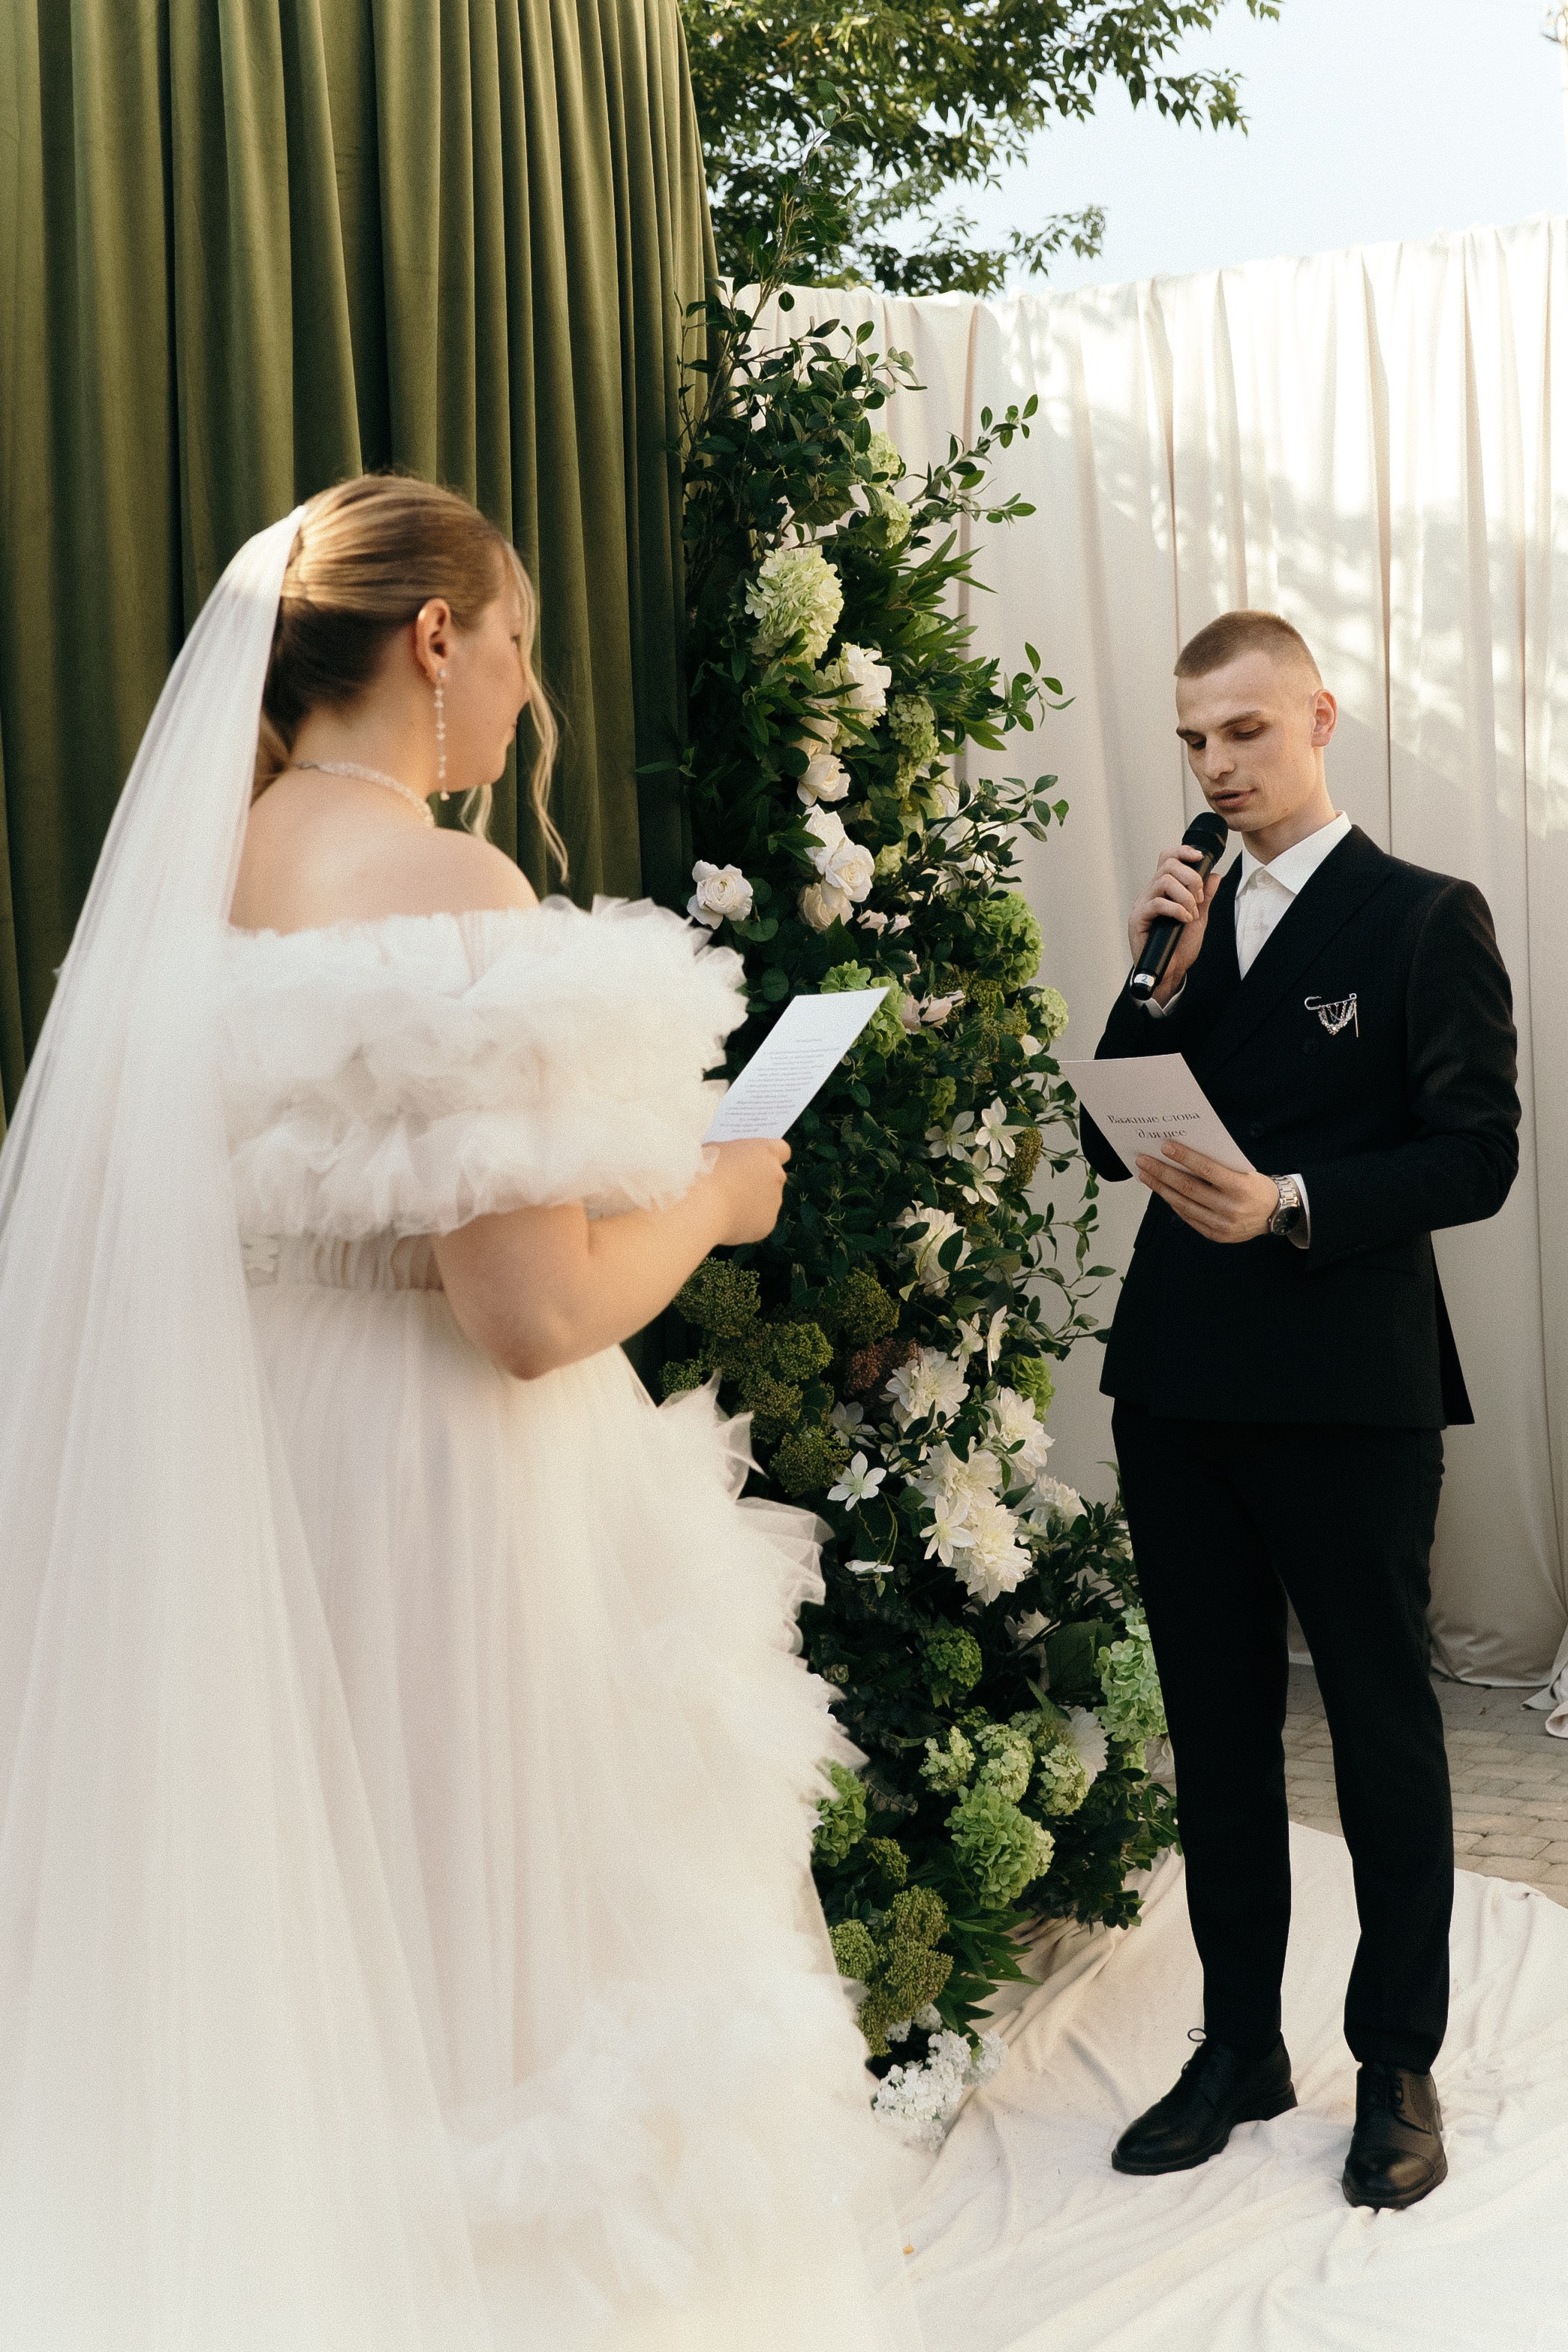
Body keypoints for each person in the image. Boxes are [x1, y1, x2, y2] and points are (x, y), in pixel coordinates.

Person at [0, 480, 921, 2349]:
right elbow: (533, 1310)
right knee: (490, 1965)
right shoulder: (447, 883)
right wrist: (722, 1196)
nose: (522, 689)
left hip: (251, 1472)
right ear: (435, 637)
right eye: (515, 642)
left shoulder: (216, 866)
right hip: (442, 1482)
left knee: (304, 1961)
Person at [1078, 609, 1519, 2214]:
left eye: (1246, 733)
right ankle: (1237, 2044)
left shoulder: (1420, 919)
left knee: (1384, 1728)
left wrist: (1289, 1202)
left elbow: (1477, 1154)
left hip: (1347, 1388)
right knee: (1213, 1726)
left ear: (1319, 718)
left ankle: (1395, 2059)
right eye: (1194, 740)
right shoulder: (1180, 932)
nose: (1218, 768)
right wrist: (1157, 982)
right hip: (1179, 1381)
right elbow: (1110, 1129)